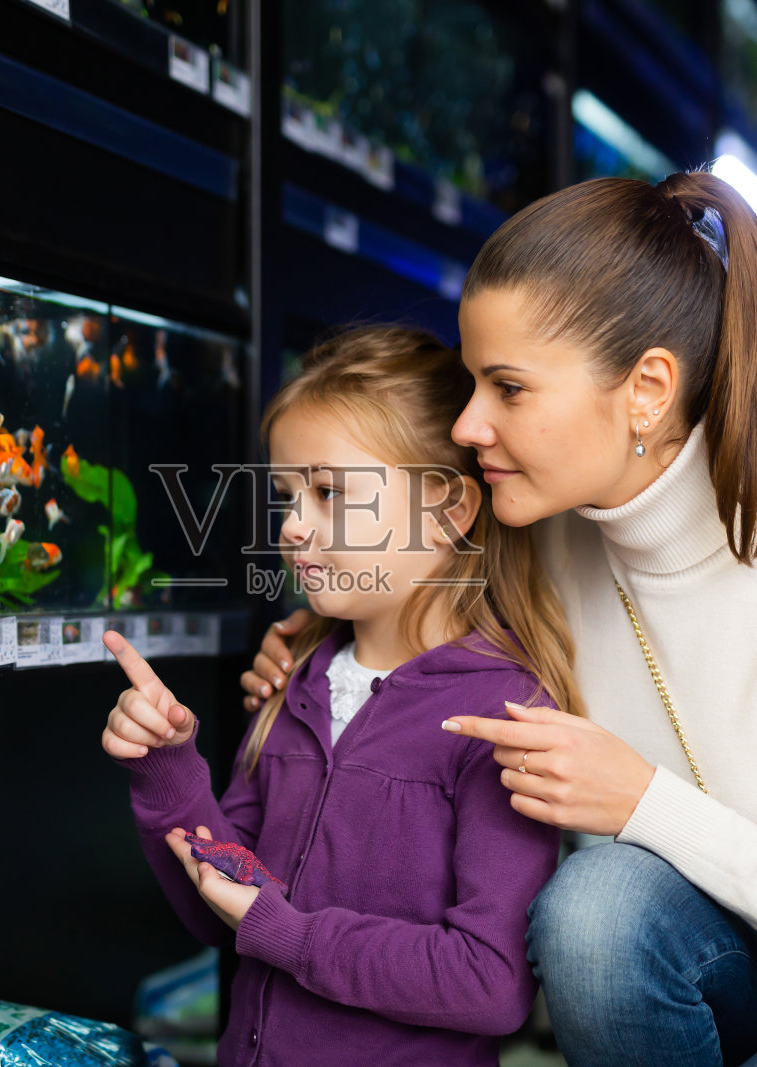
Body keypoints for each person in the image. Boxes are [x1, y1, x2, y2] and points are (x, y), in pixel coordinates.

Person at [243, 174, 757, 1065]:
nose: (471, 423)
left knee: (612, 890)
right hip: (744, 959)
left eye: (508, 388)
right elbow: (393, 602)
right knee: (594, 910)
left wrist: (647, 801)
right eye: (473, 381)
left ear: (647, 389)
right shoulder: (534, 540)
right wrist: (317, 649)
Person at [101, 326, 580, 1067]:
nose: (293, 526)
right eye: (288, 496)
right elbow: (221, 909)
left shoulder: (505, 717)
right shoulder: (295, 683)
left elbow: (489, 982)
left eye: (329, 493)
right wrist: (167, 768)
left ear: (448, 512)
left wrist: (291, 934)